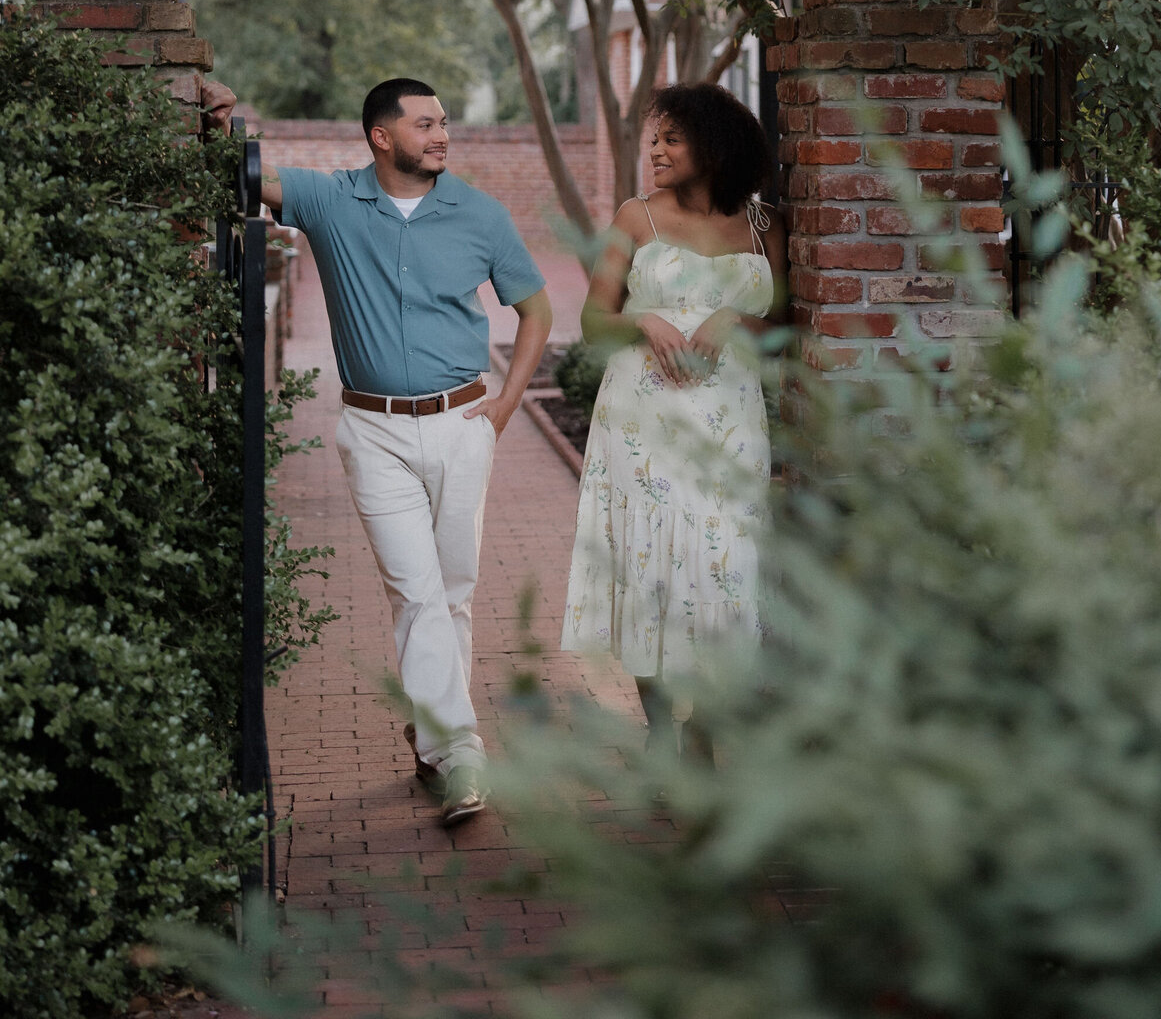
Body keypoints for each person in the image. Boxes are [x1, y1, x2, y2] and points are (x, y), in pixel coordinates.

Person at [202, 76, 552, 826]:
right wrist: (224, 124)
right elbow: (249, 175)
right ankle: (460, 757)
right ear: (381, 137)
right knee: (418, 594)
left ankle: (431, 738)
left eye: (445, 122)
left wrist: (507, 404)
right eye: (425, 124)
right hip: (375, 432)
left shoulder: (478, 214)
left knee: (452, 592)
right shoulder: (331, 201)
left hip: (464, 425)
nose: (442, 135)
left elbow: (537, 309)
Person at [560, 82, 786, 736]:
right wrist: (645, 323)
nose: (654, 151)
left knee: (725, 568)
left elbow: (788, 326)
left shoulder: (766, 224)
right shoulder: (637, 218)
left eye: (670, 139)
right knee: (651, 571)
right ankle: (663, 731)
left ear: (713, 146)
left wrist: (736, 322)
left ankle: (704, 727)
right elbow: (593, 323)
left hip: (730, 428)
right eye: (652, 140)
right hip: (643, 426)